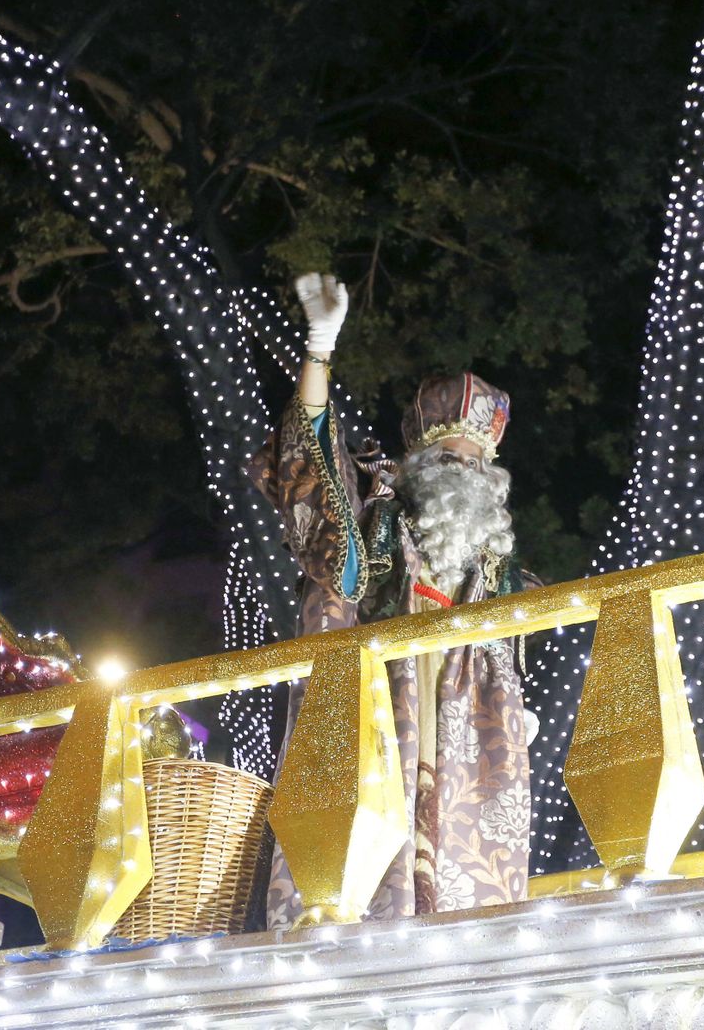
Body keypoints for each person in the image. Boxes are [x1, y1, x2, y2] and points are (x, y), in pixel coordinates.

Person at [245, 273, 538, 926]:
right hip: (388, 709)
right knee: (371, 883)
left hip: (471, 736)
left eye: (478, 459)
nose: (466, 469)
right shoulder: (378, 522)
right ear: (418, 463)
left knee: (470, 898)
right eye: (450, 454)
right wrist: (319, 350)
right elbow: (314, 481)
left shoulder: (503, 566)